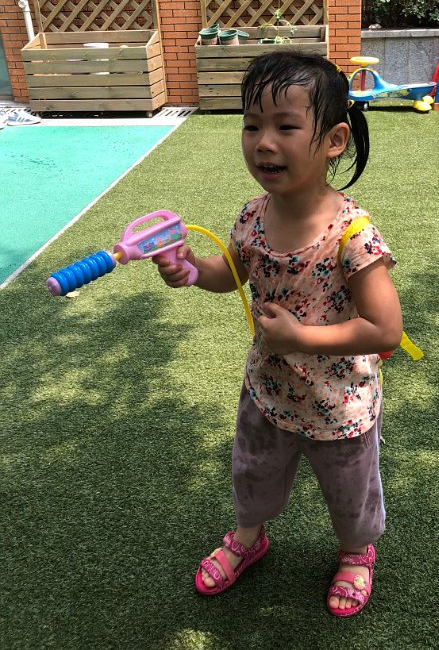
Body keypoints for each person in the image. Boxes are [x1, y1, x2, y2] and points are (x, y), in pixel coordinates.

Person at [153, 51, 403, 617]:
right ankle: (249, 536)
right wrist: (190, 269)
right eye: (252, 125)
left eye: (285, 127)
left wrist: (301, 339)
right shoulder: (252, 215)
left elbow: (385, 328)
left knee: (350, 491)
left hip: (339, 404)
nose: (263, 143)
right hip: (267, 390)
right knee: (253, 474)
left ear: (334, 140)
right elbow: (231, 273)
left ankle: (356, 552)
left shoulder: (352, 235)